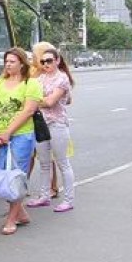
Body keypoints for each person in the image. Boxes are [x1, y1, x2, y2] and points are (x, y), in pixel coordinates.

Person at [0, 46, 43, 235]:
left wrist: (9, 132)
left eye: (12, 61)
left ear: (22, 64)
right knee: (0, 179)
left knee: (16, 178)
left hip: (21, 136)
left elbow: (28, 110)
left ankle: (11, 219)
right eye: (6, 61)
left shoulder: (31, 84)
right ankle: (20, 213)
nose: (8, 65)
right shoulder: (0, 82)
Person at [27, 47, 76, 212]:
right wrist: (37, 100)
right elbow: (30, 96)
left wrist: (35, 102)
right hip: (41, 124)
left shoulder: (62, 79)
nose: (45, 64)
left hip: (57, 124)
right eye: (43, 61)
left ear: (57, 61)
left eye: (49, 60)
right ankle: (44, 196)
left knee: (63, 162)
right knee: (44, 163)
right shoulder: (40, 79)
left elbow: (50, 102)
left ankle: (69, 199)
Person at [29, 41, 61, 198]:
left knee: (47, 156)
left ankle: (52, 187)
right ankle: (21, 186)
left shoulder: (51, 74)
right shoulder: (31, 71)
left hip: (46, 121)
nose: (32, 57)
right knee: (28, 154)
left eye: (35, 54)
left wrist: (33, 101)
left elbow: (62, 99)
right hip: (29, 118)